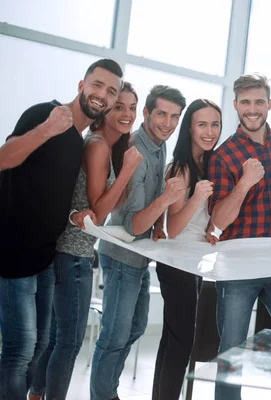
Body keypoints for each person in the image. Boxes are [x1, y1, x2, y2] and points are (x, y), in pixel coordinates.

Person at [0, 58, 123, 400]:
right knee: (19, 352)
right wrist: (46, 130)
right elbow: (3, 158)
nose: (102, 95)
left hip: (44, 260)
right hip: (11, 256)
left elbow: (51, 194)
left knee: (38, 349)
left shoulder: (79, 142)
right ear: (81, 85)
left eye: (111, 91)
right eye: (97, 84)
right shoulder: (45, 114)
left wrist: (73, 217)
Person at [28, 82, 142, 400]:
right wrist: (127, 172)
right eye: (119, 106)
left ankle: (36, 394)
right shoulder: (98, 145)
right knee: (68, 342)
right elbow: (100, 213)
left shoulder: (103, 143)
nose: (127, 114)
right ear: (104, 108)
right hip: (72, 253)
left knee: (53, 339)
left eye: (132, 107)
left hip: (66, 251)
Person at [92, 85, 187, 400]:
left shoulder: (158, 147)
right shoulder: (137, 151)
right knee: (114, 337)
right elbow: (132, 225)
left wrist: (158, 225)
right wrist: (166, 201)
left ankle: (109, 390)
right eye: (161, 113)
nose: (168, 122)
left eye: (175, 116)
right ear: (146, 113)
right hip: (122, 256)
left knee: (133, 329)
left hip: (138, 257)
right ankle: (104, 396)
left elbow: (146, 212)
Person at [206, 71, 271, 355]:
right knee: (231, 353)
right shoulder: (223, 155)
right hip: (238, 266)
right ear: (235, 105)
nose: (252, 109)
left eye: (259, 102)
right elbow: (218, 221)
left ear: (269, 104)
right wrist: (244, 183)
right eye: (246, 102)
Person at [152, 99, 221, 400]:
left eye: (215, 124)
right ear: (190, 127)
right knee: (181, 343)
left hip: (192, 264)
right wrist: (196, 197)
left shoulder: (207, 165)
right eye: (202, 124)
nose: (209, 131)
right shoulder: (181, 169)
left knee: (172, 340)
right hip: (176, 263)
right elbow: (174, 228)